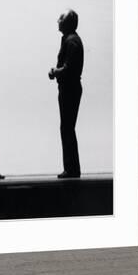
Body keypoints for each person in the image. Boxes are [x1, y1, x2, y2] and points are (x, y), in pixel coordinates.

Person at [48, 9, 84, 179]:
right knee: (67, 128)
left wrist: (55, 72)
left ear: (67, 22)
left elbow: (69, 69)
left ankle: (71, 169)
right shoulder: (70, 40)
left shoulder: (71, 42)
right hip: (70, 89)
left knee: (67, 128)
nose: (58, 20)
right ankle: (71, 168)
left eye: (61, 18)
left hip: (69, 89)